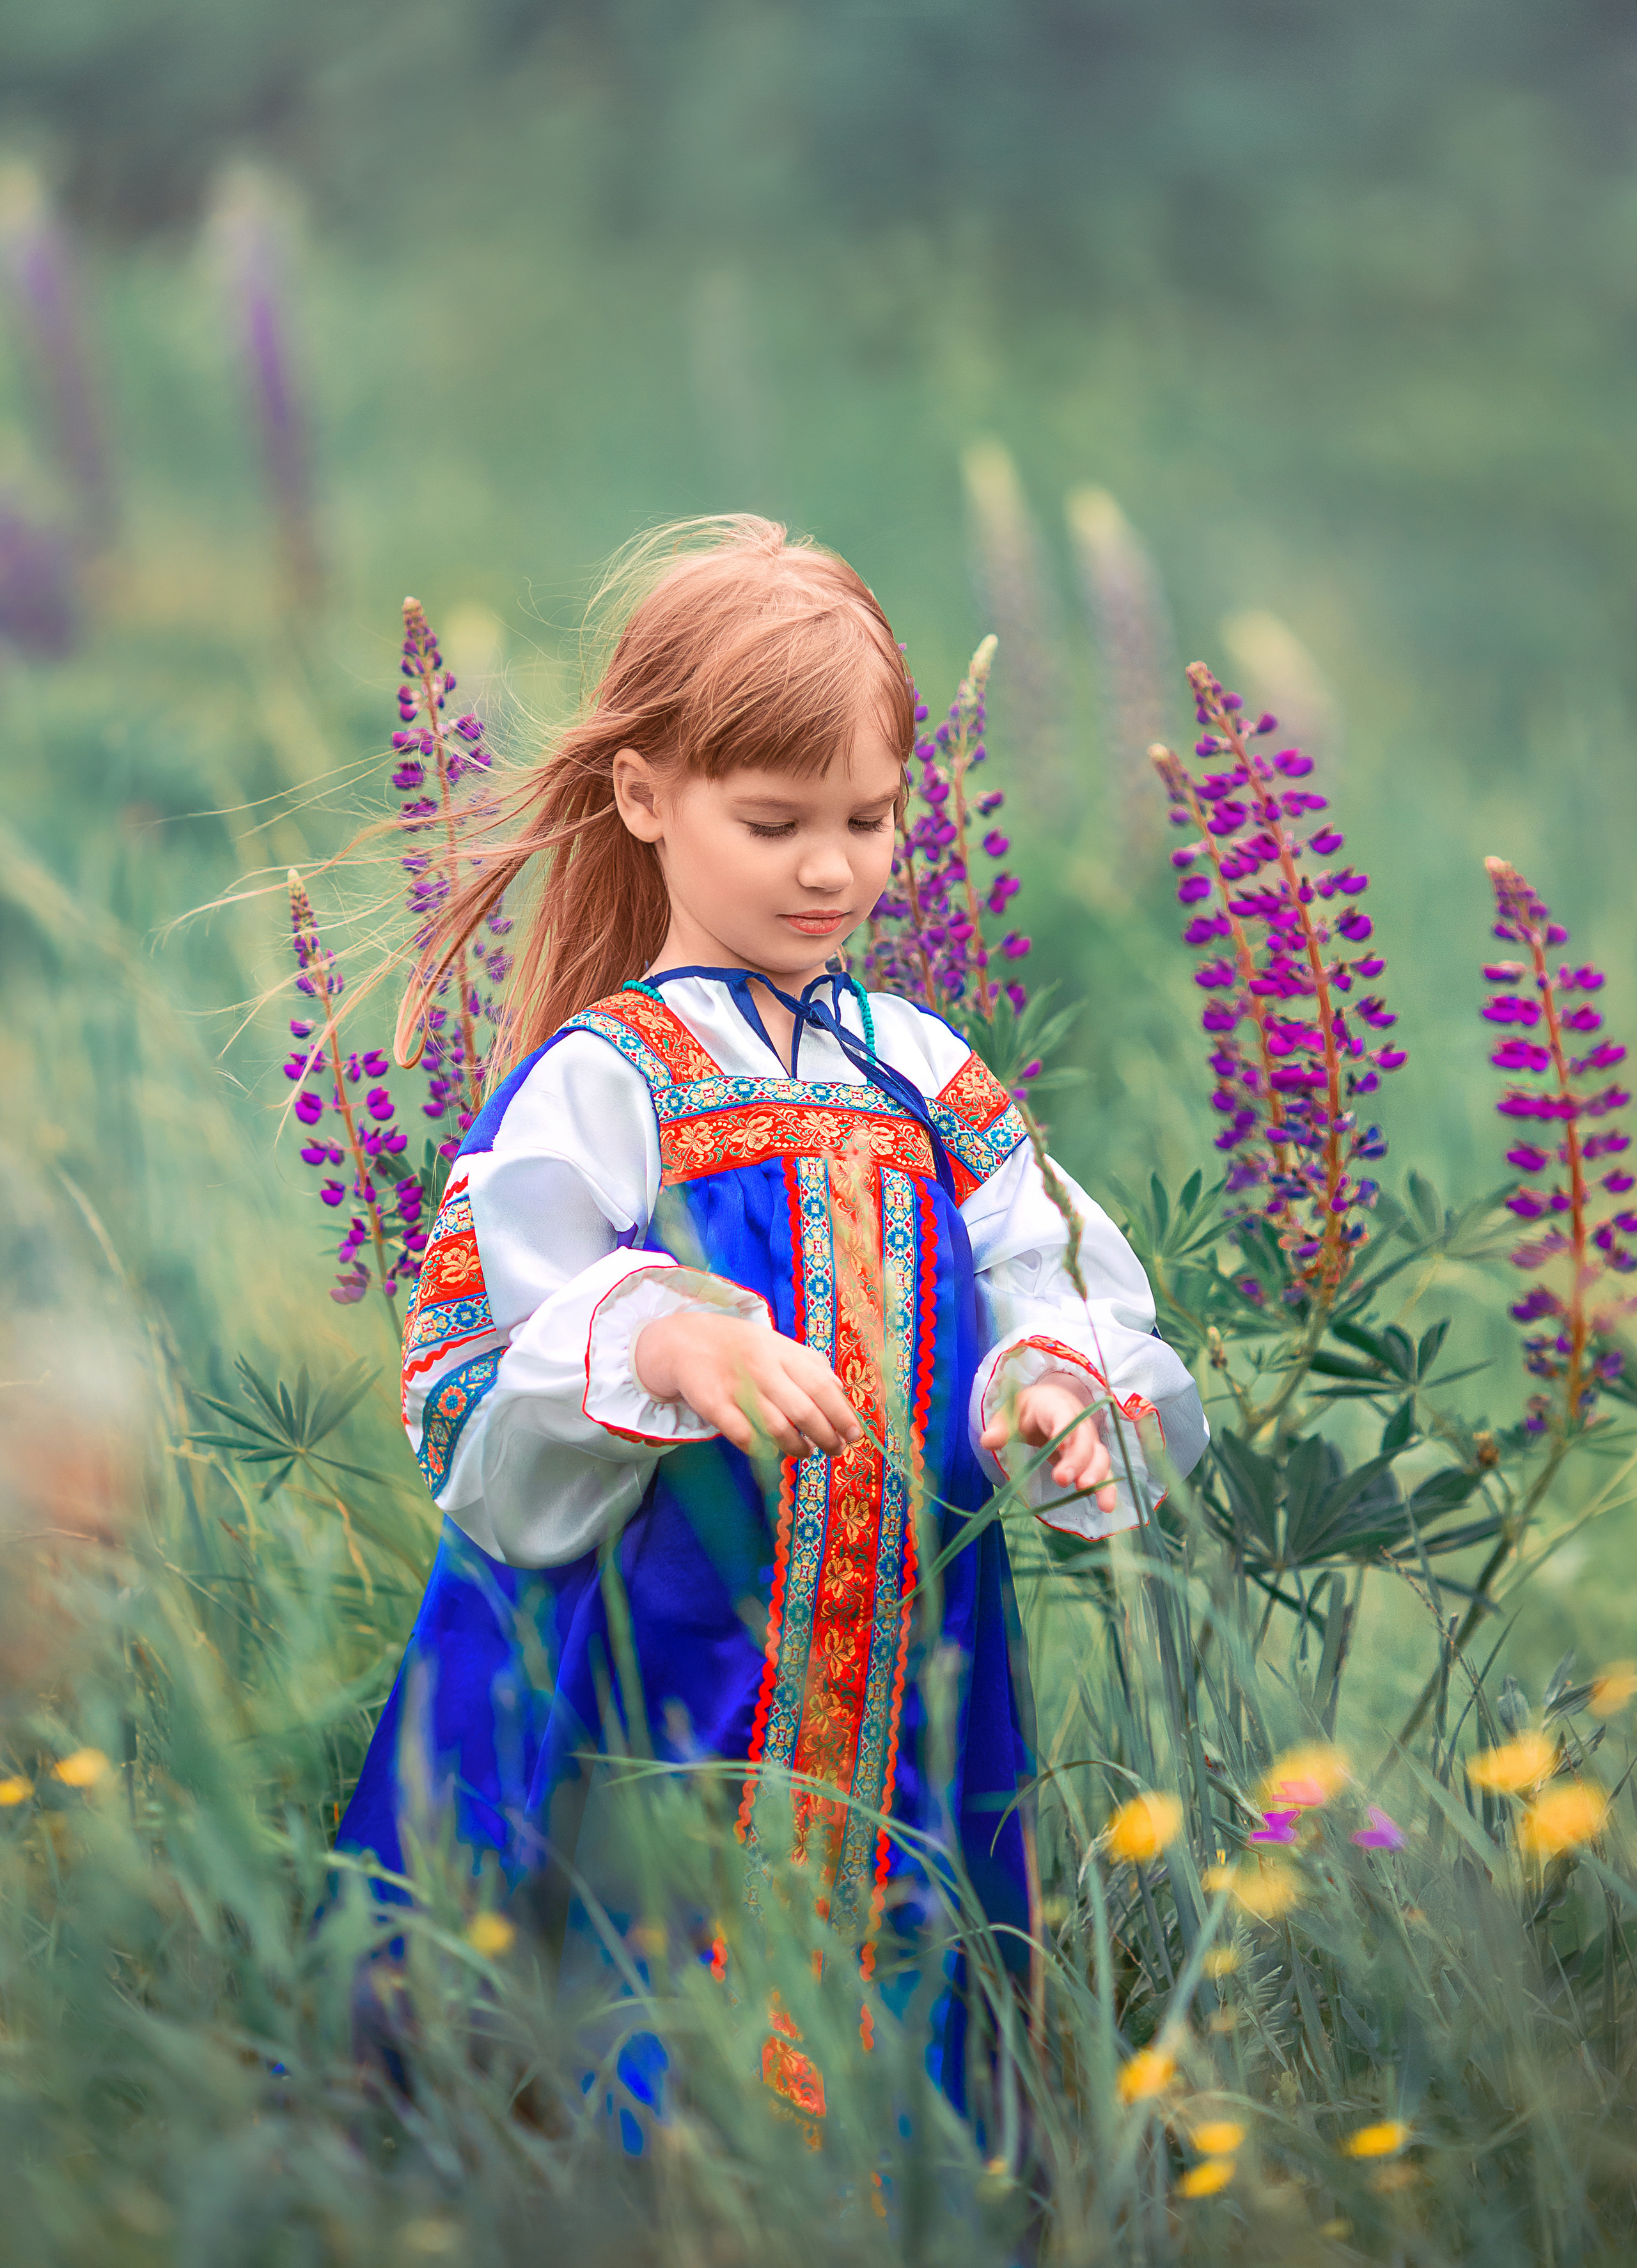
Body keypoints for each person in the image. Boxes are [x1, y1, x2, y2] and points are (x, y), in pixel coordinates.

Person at [336, 515, 1206, 2104]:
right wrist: (663, 1336)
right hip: (669, 1648)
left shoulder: (922, 1071)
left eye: (868, 818)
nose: (830, 867)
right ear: (644, 797)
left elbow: (1046, 1262)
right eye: (773, 821)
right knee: (651, 1974)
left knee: (908, 1958)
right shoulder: (607, 1076)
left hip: (909, 1655)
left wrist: (1058, 1385)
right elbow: (471, 1368)